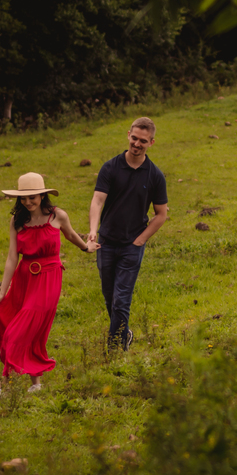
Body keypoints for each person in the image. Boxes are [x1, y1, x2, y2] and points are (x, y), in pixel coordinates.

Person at [0, 172, 89, 404]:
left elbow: (71, 235)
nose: (28, 202)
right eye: (23, 198)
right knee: (23, 326)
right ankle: (36, 384)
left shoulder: (58, 215)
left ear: (42, 195)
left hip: (49, 277)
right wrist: (3, 291)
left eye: (32, 197)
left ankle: (3, 386)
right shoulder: (17, 221)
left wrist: (86, 248)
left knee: (19, 331)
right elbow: (12, 258)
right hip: (24, 278)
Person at [86, 117, 169, 351]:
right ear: (128, 135)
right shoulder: (110, 168)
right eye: (134, 138)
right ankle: (125, 332)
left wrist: (140, 240)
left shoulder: (155, 175)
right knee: (110, 297)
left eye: (143, 141)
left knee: (122, 299)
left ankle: (115, 348)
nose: (137, 144)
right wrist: (93, 231)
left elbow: (161, 214)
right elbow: (98, 200)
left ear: (151, 143)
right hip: (106, 242)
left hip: (132, 246)